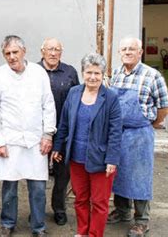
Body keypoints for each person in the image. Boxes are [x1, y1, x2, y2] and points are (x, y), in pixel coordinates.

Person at [0, 35, 56, 237]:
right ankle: (7, 223)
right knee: (9, 187)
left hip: (36, 141)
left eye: (15, 52)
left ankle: (38, 226)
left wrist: (48, 134)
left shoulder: (38, 73)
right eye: (7, 53)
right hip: (9, 141)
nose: (12, 57)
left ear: (24, 51)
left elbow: (48, 105)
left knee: (38, 188)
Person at [107, 37, 168, 237]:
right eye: (124, 49)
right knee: (118, 173)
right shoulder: (116, 74)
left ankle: (141, 220)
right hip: (118, 133)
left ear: (140, 52)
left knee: (139, 176)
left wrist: (151, 122)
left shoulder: (152, 75)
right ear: (119, 52)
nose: (127, 52)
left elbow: (166, 106)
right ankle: (122, 210)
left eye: (132, 49)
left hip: (139, 134)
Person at [52, 53, 122, 237]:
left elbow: (116, 132)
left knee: (99, 202)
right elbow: (64, 123)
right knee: (80, 199)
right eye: (89, 72)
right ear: (83, 73)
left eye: (97, 73)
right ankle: (82, 232)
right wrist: (58, 147)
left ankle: (95, 234)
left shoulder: (111, 98)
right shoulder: (74, 93)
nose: (93, 77)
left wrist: (112, 159)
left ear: (103, 75)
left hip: (101, 159)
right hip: (76, 157)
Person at [38, 37, 79, 226]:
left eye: (57, 50)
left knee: (63, 175)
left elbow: (77, 100)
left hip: (64, 133)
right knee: (37, 175)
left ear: (61, 52)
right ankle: (37, 210)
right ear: (42, 51)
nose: (53, 53)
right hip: (38, 134)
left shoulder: (70, 72)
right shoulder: (33, 72)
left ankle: (59, 209)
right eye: (50, 49)